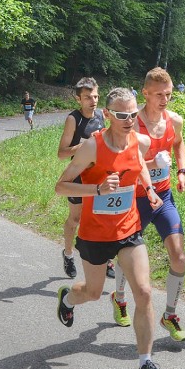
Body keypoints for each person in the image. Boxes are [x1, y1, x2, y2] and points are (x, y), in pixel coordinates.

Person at [54, 87, 168, 369]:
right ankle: (68, 298)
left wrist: (151, 190)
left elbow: (139, 163)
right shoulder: (92, 146)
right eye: (121, 115)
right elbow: (61, 186)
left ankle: (146, 365)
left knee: (143, 292)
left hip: (128, 228)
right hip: (94, 233)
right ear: (107, 115)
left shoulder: (140, 141)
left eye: (132, 114)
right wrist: (97, 190)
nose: (129, 120)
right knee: (92, 293)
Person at [135, 67, 185, 342]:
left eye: (168, 94)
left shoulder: (174, 120)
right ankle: (119, 297)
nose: (164, 99)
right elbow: (121, 162)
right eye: (158, 94)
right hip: (134, 198)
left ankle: (170, 314)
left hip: (164, 196)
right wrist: (152, 163)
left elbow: (179, 144)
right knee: (128, 256)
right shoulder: (132, 124)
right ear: (145, 93)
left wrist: (181, 170)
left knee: (179, 256)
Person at [56, 78, 120, 283]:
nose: (92, 101)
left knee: (104, 218)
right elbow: (61, 154)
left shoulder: (102, 114)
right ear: (78, 99)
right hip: (78, 177)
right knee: (75, 219)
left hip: (100, 175)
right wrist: (85, 145)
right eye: (87, 97)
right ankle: (68, 254)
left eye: (95, 96)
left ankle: (107, 259)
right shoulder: (73, 119)